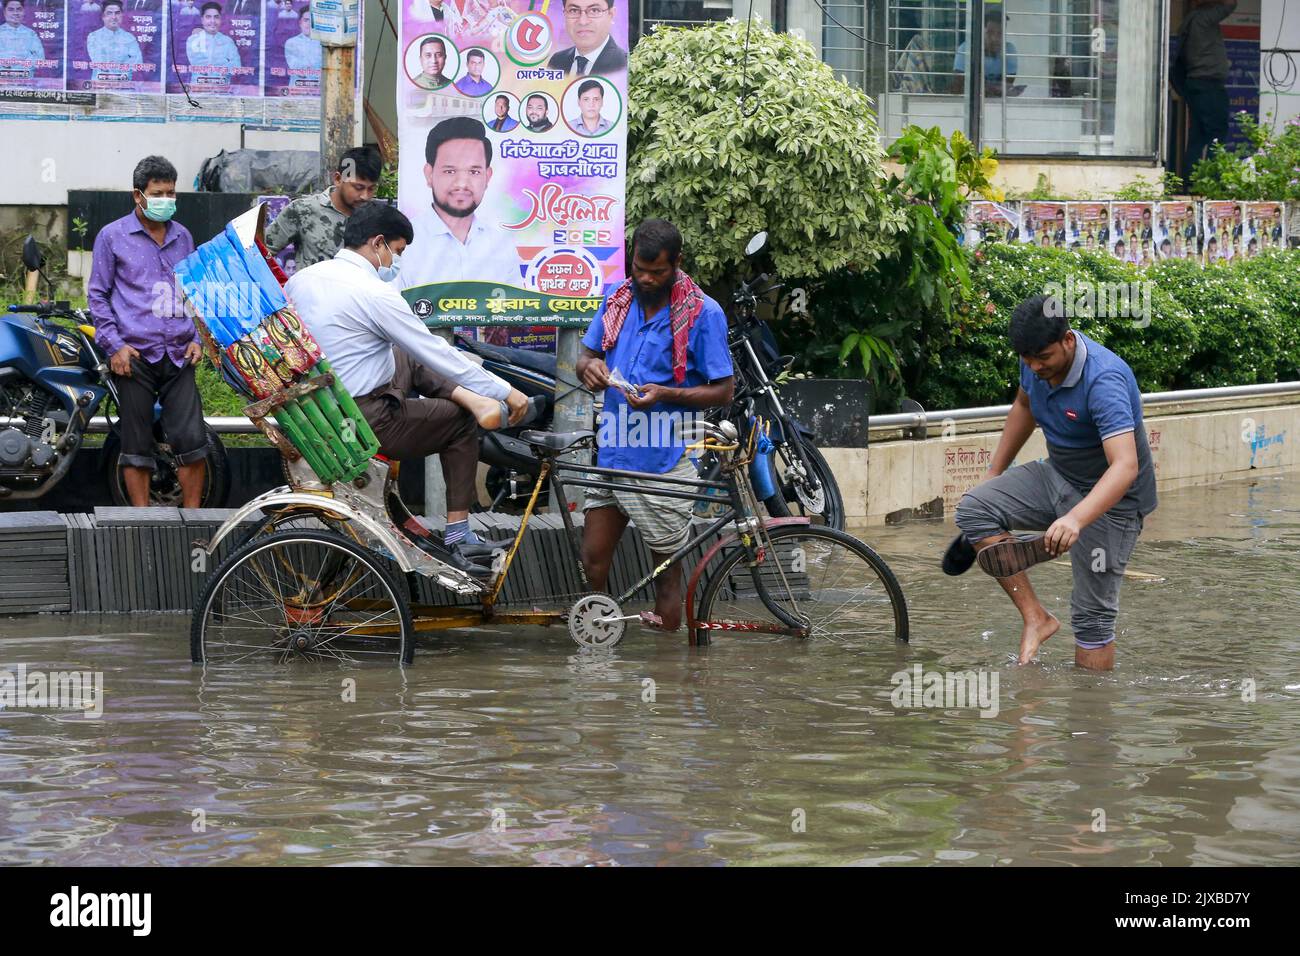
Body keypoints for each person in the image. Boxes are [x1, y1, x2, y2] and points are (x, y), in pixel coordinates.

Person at [285, 201, 534, 573]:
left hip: (321, 408)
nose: (395, 262)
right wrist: (504, 390)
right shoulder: (374, 293)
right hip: (360, 422)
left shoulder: (302, 279)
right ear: (378, 243)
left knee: (405, 350)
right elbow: (436, 352)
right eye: (397, 252)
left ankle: (468, 396)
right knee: (460, 420)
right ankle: (458, 531)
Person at [945, 295, 1156, 671]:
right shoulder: (1033, 362)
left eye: (1043, 358)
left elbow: (1124, 467)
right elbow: (1024, 407)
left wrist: (1075, 519)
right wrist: (994, 473)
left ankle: (1089, 721)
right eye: (1028, 360)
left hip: (1113, 501)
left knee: (1091, 619)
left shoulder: (1104, 380)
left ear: (1068, 340)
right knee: (975, 507)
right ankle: (1036, 617)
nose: (1035, 367)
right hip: (1056, 474)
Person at [576, 219, 734, 632]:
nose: (645, 279)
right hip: (612, 450)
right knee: (593, 558)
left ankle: (668, 665)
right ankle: (601, 641)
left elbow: (723, 391)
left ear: (677, 263)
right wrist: (589, 368)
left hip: (664, 459)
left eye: (657, 272)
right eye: (639, 269)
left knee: (666, 569)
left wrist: (665, 394)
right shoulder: (617, 298)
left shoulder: (704, 313)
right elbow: (586, 357)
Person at [88, 156, 208, 508]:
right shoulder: (112, 236)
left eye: (171, 193)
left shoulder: (183, 236)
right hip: (134, 356)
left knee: (192, 439)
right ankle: (142, 520)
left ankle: (194, 518)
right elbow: (98, 294)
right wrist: (114, 346)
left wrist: (198, 339)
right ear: (137, 195)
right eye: (158, 193)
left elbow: (194, 292)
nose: (166, 200)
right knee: (135, 444)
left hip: (179, 352)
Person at [400, 116, 523, 291]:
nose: (461, 184)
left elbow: (514, 310)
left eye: (474, 171)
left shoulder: (501, 245)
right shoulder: (405, 244)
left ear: (487, 177)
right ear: (429, 174)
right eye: (450, 171)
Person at [264, 145, 382, 269]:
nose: (365, 196)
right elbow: (261, 253)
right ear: (338, 179)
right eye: (358, 188)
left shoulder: (376, 218)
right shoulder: (303, 210)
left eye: (371, 189)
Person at [1177, 0, 1236, 180]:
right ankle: (1212, 181)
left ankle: (1191, 182)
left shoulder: (1191, 19)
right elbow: (1230, 4)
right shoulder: (1204, 17)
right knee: (1217, 133)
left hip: (1197, 84)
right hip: (1209, 84)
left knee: (1198, 135)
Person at [548, 0, 626, 77]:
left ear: (611, 14)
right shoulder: (556, 61)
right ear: (564, 14)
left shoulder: (624, 64)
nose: (583, 21)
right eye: (574, 10)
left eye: (594, 10)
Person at [952, 7, 1019, 97]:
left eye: (1000, 33)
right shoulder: (965, 49)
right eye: (990, 33)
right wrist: (994, 88)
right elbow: (959, 84)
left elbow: (1007, 85)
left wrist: (982, 87)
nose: (995, 38)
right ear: (981, 32)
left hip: (996, 104)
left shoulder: (1009, 50)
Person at [86, 1, 143, 82]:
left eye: (117, 13)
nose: (114, 17)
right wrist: (123, 63)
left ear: (122, 15)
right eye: (109, 13)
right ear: (103, 16)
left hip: (124, 85)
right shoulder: (94, 36)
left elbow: (137, 62)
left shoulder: (129, 38)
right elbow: (99, 62)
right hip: (100, 85)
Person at [187, 2, 241, 77]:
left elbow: (237, 66)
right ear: (202, 20)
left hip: (222, 86)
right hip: (199, 86)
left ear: (220, 19)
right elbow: (199, 64)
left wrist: (217, 67)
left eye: (216, 17)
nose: (212, 21)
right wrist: (224, 65)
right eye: (208, 17)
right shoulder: (193, 39)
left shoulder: (228, 41)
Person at [0, 0, 44, 72]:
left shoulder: (31, 34)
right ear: (4, 12)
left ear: (23, 12)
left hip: (26, 78)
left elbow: (40, 60)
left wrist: (14, 62)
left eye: (19, 9)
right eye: (11, 10)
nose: (15, 13)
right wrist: (23, 59)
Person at [283, 7, 320, 71]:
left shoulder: (323, 42)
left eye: (312, 21)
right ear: (300, 23)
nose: (309, 24)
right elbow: (295, 67)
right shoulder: (291, 42)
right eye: (306, 20)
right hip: (299, 80)